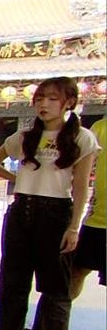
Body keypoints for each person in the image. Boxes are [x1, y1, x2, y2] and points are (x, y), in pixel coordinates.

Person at [0, 77, 98, 330]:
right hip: (22, 209)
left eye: (52, 98)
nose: (44, 104)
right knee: (13, 279)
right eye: (39, 98)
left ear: (68, 103)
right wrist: (18, 180)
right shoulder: (25, 137)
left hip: (57, 212)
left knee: (56, 285)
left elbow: (80, 186)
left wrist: (74, 225)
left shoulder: (82, 138)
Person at [71, 117, 106, 298]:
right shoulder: (100, 128)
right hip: (98, 219)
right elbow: (79, 163)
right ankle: (55, 324)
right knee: (76, 272)